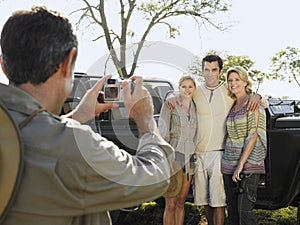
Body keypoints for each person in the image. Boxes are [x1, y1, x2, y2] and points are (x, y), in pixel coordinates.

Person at [0, 6, 175, 225]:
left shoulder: (21, 131)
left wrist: (79, 115)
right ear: (66, 63)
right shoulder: (74, 144)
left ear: (3, 66)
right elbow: (153, 179)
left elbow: (27, 136)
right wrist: (146, 120)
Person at [166, 55, 263, 225]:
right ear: (202, 71)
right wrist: (170, 95)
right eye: (206, 70)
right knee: (204, 201)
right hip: (198, 154)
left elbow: (251, 96)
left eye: (214, 70)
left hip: (219, 154)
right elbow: (182, 90)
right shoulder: (197, 91)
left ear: (220, 71)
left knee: (218, 202)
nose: (210, 74)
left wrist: (258, 96)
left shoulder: (228, 89)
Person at [221, 66, 267, 225]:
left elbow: (254, 135)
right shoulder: (232, 106)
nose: (233, 83)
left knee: (244, 213)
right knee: (232, 211)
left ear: (245, 82)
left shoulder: (254, 103)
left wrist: (241, 165)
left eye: (237, 80)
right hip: (228, 164)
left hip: (248, 165)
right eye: (230, 80)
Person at [159, 75, 198, 225]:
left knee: (181, 202)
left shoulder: (196, 107)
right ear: (179, 88)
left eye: (190, 86)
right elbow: (163, 133)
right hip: (173, 157)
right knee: (171, 204)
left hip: (190, 159)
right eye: (184, 86)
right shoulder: (171, 104)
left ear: (194, 89)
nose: (187, 90)